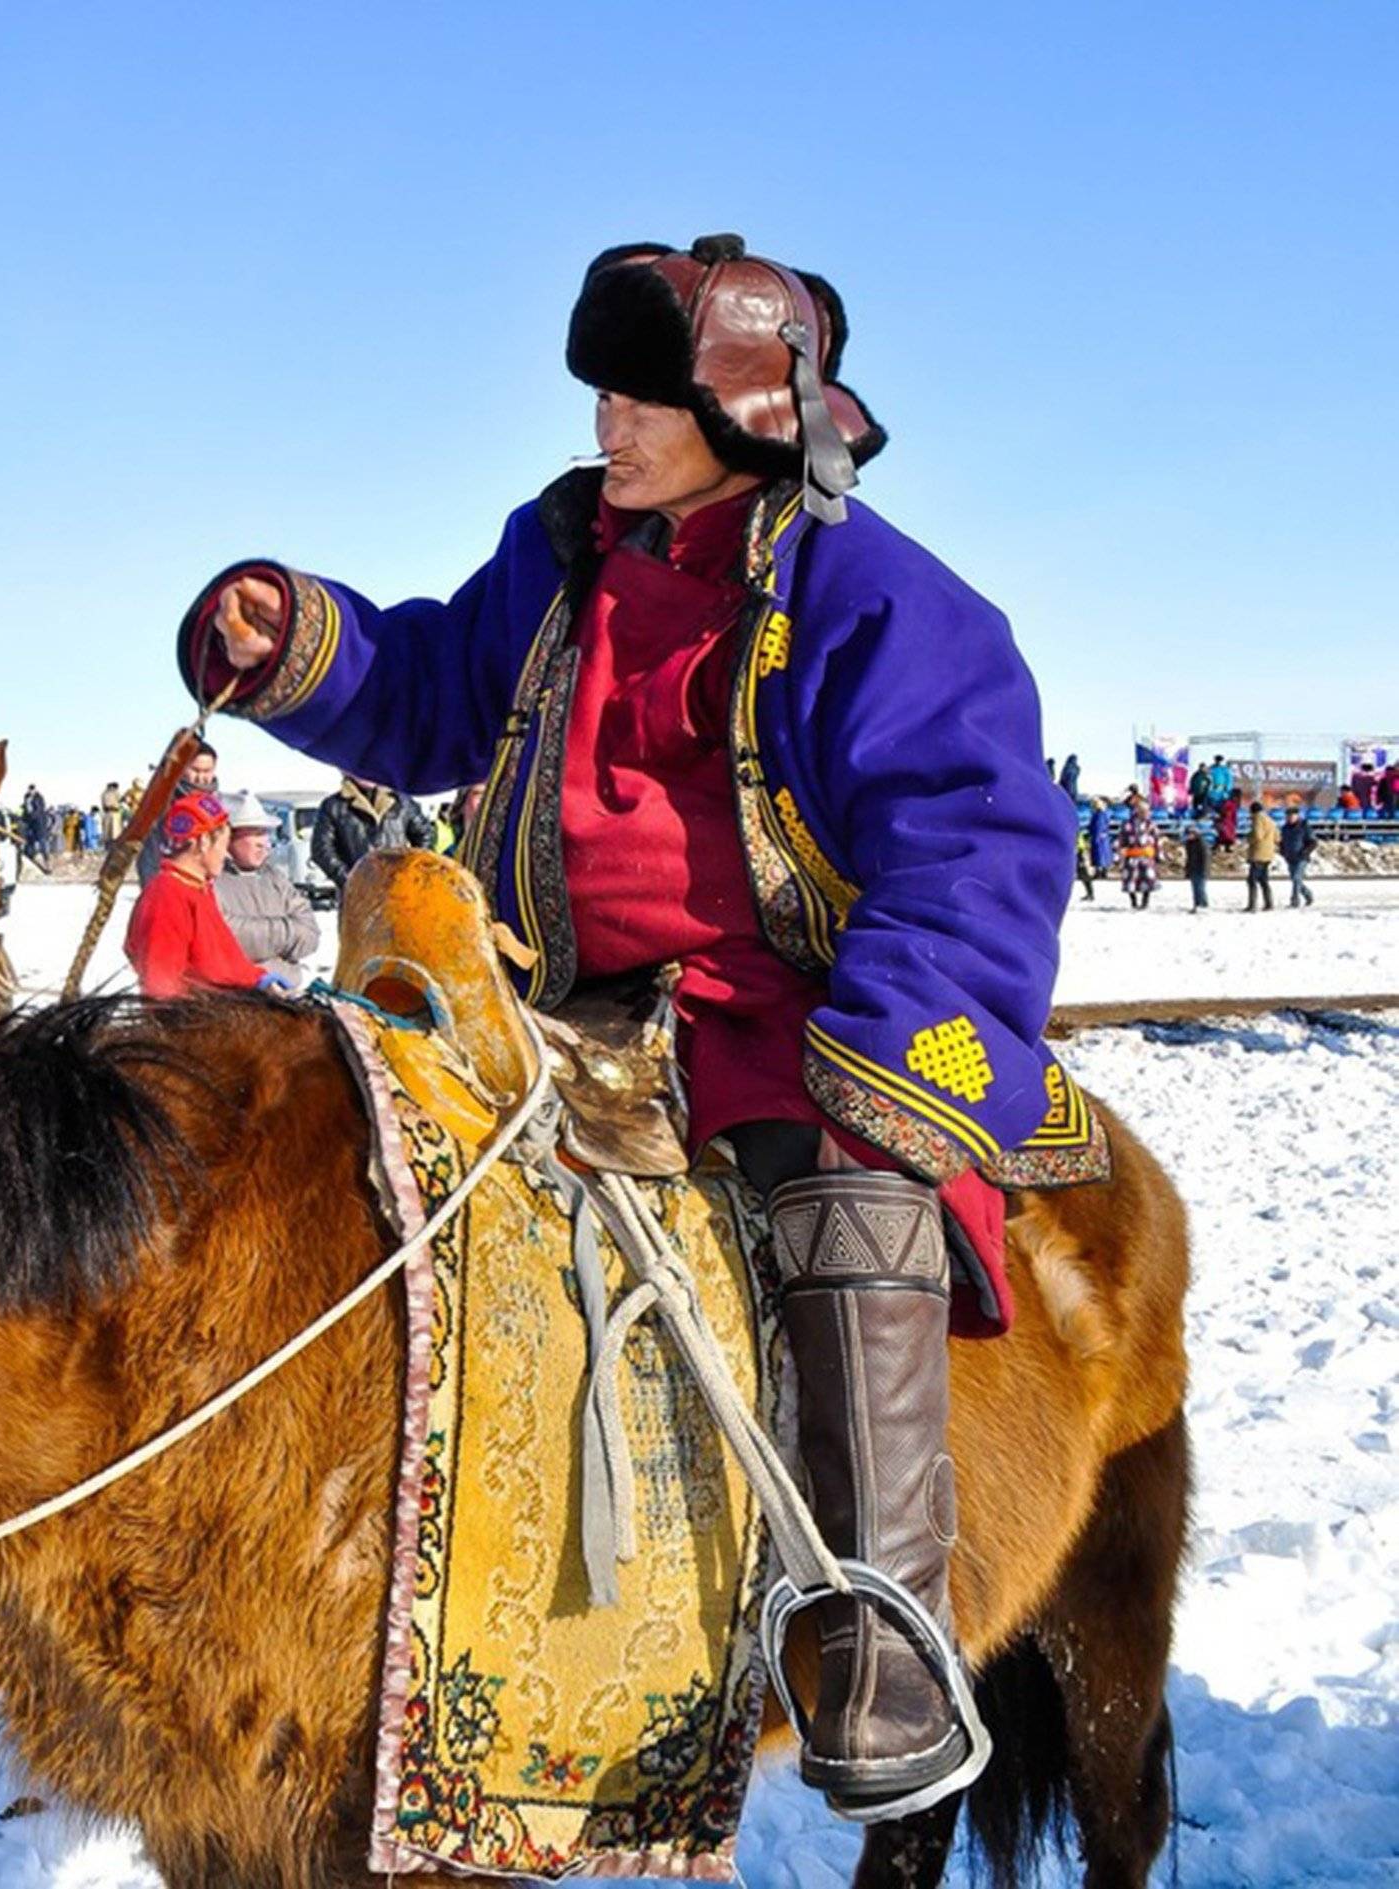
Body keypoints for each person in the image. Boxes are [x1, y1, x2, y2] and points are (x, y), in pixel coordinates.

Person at [176, 234, 1107, 1818]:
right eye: (602, 392)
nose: (605, 422)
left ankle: (880, 1640)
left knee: (849, 1199)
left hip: (779, 1014)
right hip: (543, 1002)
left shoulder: (888, 600)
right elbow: (430, 683)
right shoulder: (561, 559)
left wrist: (892, 1053)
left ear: (750, 408)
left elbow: (977, 843)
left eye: (639, 397)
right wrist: (301, 638)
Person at [123, 791, 285, 998]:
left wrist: (256, 978)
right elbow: (161, 989)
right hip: (197, 1021)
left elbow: (218, 958)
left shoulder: (198, 888)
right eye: (223, 845)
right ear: (203, 842)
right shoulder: (167, 897)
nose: (225, 854)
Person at [209, 793, 319, 984]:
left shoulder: (277, 879)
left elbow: (310, 934)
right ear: (228, 836)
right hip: (240, 998)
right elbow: (227, 937)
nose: (264, 843)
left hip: (289, 995)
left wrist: (262, 937)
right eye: (255, 833)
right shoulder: (212, 883)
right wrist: (288, 934)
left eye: (265, 833)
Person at [310, 774, 437, 891]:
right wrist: (350, 880)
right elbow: (321, 850)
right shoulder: (334, 805)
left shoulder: (402, 801)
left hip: (399, 892)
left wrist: (410, 870)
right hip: (357, 898)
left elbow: (426, 834)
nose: (365, 773)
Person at [135, 744, 222, 885]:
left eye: (207, 771)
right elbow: (150, 857)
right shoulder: (164, 805)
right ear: (182, 768)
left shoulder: (219, 806)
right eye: (195, 770)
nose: (201, 778)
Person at [1117, 790, 1159, 910]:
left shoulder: (1151, 824)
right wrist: (1120, 854)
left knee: (1148, 879)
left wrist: (1158, 854)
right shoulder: (1127, 824)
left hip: (1146, 856)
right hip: (1132, 856)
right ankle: (1133, 902)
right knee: (1131, 879)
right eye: (1142, 810)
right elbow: (1122, 840)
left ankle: (1145, 902)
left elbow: (1156, 839)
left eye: (1146, 811)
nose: (1145, 813)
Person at [1279, 802, 1317, 907]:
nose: (1290, 818)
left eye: (1292, 816)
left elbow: (1313, 842)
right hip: (1290, 857)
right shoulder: (1285, 828)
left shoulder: (1304, 827)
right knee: (1295, 880)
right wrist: (1282, 851)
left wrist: (1305, 852)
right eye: (1288, 816)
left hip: (1301, 858)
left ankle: (1294, 901)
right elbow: (1282, 842)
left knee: (1296, 878)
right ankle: (1308, 894)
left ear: (1297, 816)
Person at [1244, 798, 1280, 911]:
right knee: (1264, 880)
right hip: (1268, 854)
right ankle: (1269, 903)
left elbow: (1257, 835)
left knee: (1252, 880)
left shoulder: (1257, 819)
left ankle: (1252, 905)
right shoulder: (1270, 820)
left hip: (1258, 854)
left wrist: (1248, 837)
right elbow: (1277, 837)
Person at [1184, 825, 1212, 909]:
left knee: (1200, 887)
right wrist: (1187, 869)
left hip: (1201, 869)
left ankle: (1203, 903)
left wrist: (1204, 870)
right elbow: (1188, 857)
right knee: (1194, 887)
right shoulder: (1189, 844)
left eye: (1190, 834)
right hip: (1193, 868)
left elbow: (1206, 858)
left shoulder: (1202, 843)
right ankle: (1197, 903)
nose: (1188, 836)